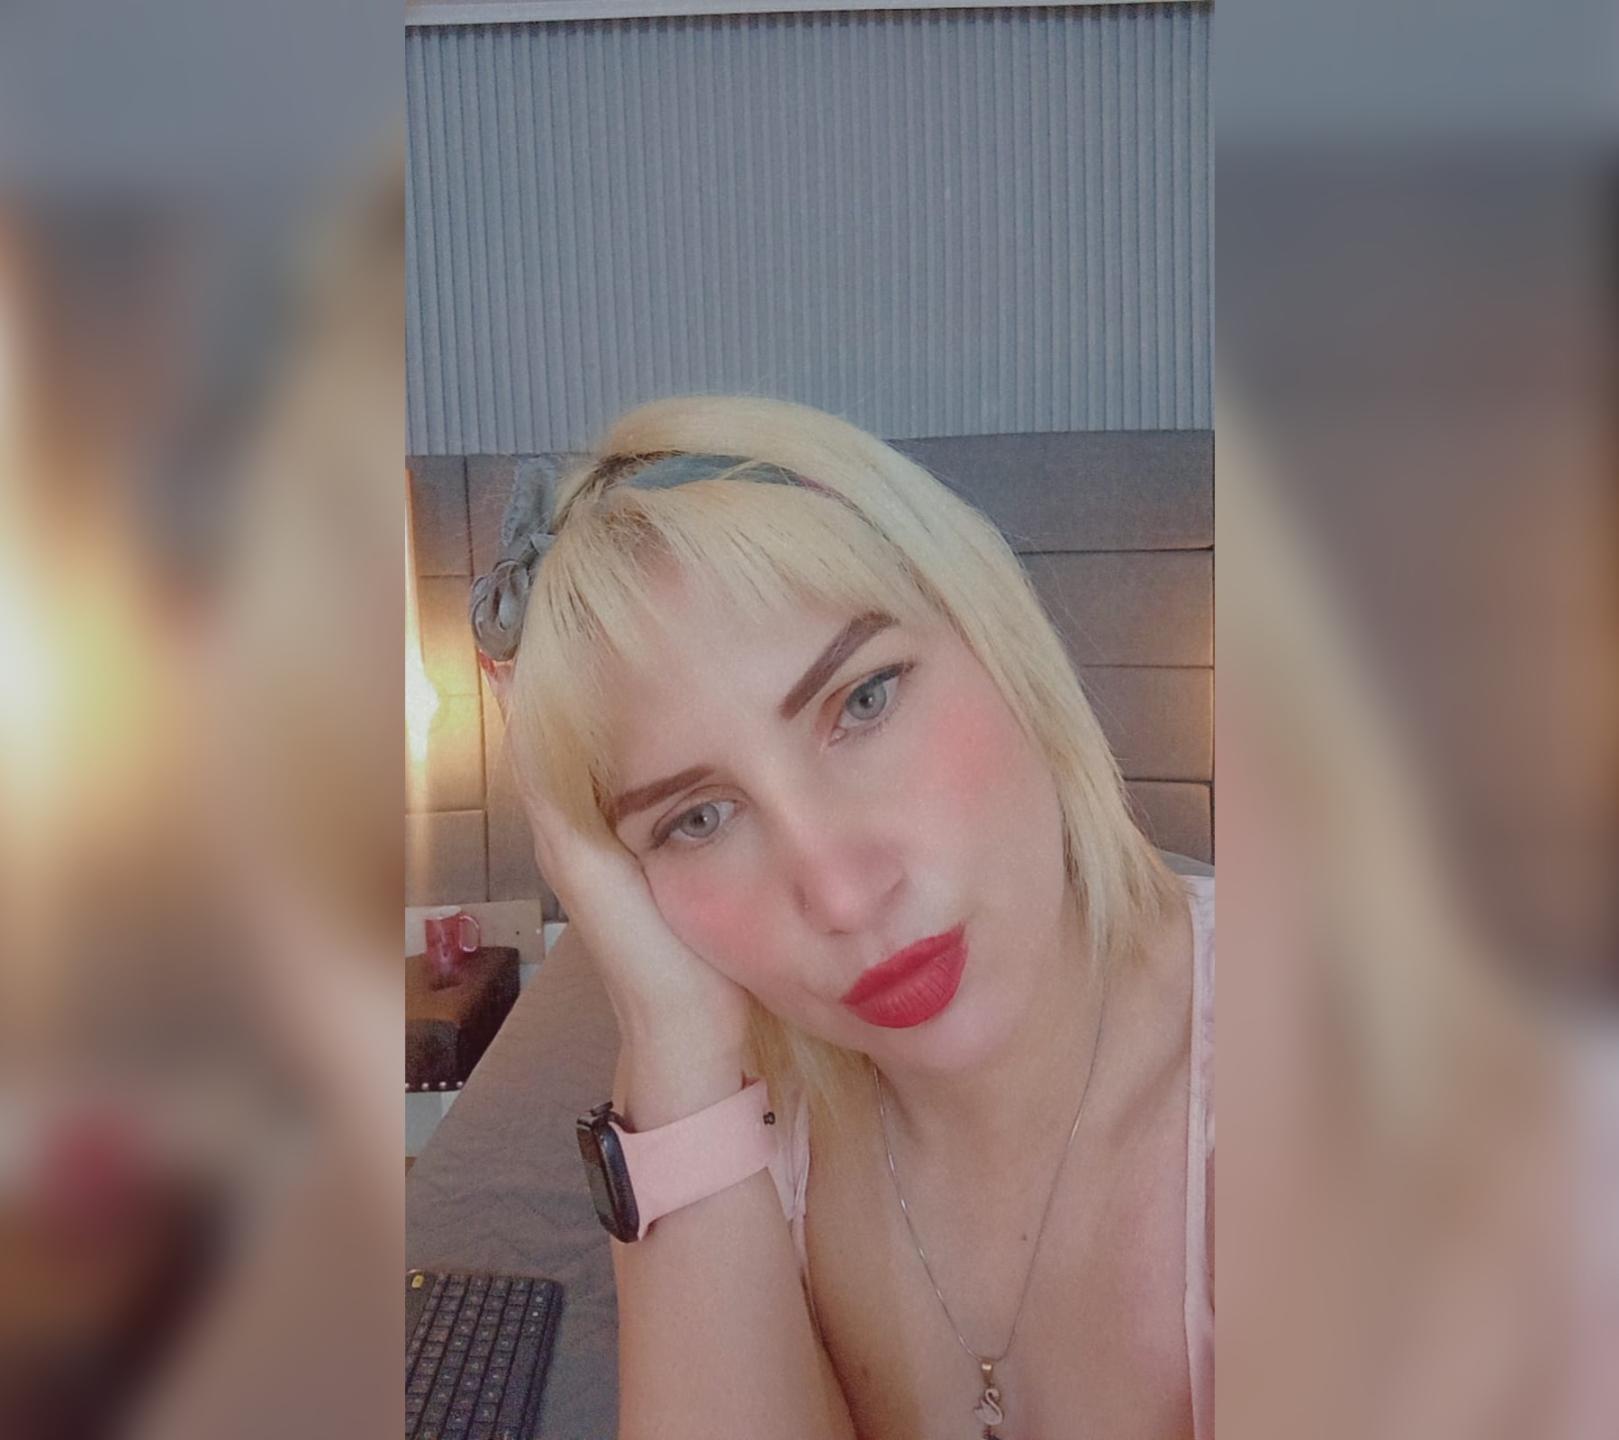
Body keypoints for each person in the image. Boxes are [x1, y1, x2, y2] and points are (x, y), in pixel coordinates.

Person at [472, 395, 1214, 1440]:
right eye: (697, 818)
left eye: (864, 701)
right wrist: (670, 1038)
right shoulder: (746, 1131)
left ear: (998, 637)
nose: (841, 894)